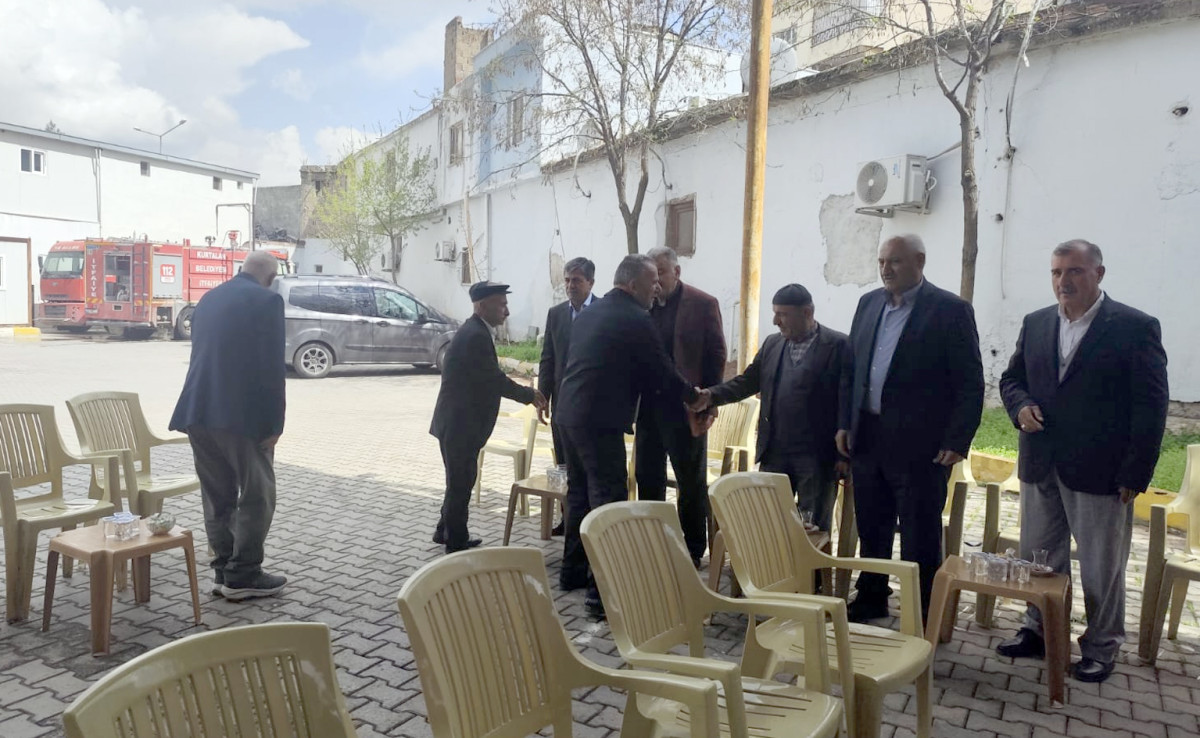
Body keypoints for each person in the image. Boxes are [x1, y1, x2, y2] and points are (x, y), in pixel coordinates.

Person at [995, 239, 1168, 683]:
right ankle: (1037, 630)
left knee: (1100, 566)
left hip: (1101, 471)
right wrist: (1020, 407)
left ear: (1098, 273)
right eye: (1056, 272)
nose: (1063, 281)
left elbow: (1150, 407)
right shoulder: (1036, 323)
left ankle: (1101, 647)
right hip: (1040, 462)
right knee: (1038, 558)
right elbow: (1011, 379)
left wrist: (1136, 472)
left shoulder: (1134, 327)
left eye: (1074, 271)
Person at [840, 234, 984, 622]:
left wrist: (958, 439)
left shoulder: (950, 310)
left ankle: (922, 612)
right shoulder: (868, 304)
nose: (886, 269)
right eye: (882, 262)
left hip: (921, 445)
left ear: (919, 261)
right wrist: (844, 423)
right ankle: (871, 597)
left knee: (920, 531)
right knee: (872, 525)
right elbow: (851, 370)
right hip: (868, 436)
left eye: (895, 261)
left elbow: (970, 382)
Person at [556, 254, 700, 617]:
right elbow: (661, 371)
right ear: (633, 284)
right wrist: (695, 397)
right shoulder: (636, 317)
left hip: (570, 416)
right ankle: (601, 596)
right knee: (608, 501)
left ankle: (571, 572)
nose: (656, 288)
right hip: (599, 422)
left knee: (579, 494)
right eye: (652, 282)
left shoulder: (592, 312)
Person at [169, 250, 288, 602]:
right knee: (258, 495)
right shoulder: (268, 301)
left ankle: (223, 570)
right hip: (242, 416)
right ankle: (244, 574)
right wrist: (275, 424)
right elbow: (271, 367)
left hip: (197, 410)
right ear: (271, 278)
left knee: (217, 496)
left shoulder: (208, 298)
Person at [693, 283, 852, 531]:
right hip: (775, 452)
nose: (776, 321)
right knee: (770, 524)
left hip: (816, 458)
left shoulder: (839, 345)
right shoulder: (772, 344)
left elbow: (848, 400)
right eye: (775, 313)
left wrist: (843, 455)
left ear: (807, 313)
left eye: (783, 314)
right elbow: (746, 382)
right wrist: (711, 396)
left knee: (812, 530)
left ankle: (810, 560)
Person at [429, 281, 547, 554]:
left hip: (457, 423)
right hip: (459, 425)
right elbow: (494, 380)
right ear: (482, 306)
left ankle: (444, 530)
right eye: (502, 304)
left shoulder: (475, 330)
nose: (507, 311)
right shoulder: (475, 336)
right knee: (461, 482)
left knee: (460, 479)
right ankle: (455, 542)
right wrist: (528, 395)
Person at [635, 246, 726, 566]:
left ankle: (692, 547)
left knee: (690, 481)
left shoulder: (702, 304)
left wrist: (709, 403)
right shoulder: (642, 305)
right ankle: (654, 541)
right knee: (647, 477)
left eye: (661, 272)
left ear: (677, 272)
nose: (656, 280)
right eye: (651, 273)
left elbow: (717, 356)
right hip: (648, 408)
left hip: (686, 409)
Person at [537, 257, 596, 467]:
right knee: (564, 466)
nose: (571, 286)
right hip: (562, 404)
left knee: (590, 467)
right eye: (567, 280)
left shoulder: (603, 311)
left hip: (592, 406)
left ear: (591, 282)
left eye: (577, 280)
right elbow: (548, 359)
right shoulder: (556, 314)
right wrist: (543, 397)